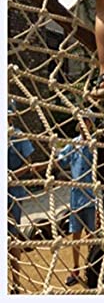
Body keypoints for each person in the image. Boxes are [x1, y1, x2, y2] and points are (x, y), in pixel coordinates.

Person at [57, 112, 97, 286]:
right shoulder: (73, 143)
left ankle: (91, 267)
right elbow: (61, 160)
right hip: (76, 197)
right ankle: (75, 269)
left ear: (91, 124)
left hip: (92, 196)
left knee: (92, 235)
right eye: (81, 120)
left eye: (86, 120)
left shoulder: (95, 143)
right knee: (75, 234)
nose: (83, 123)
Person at [7, 100, 35, 294]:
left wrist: (11, 176)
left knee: (12, 236)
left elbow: (30, 164)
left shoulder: (18, 136)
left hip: (13, 192)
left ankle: (16, 281)